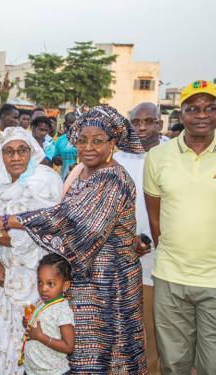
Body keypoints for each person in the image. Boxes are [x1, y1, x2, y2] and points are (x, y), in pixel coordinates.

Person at [0, 105, 148, 374]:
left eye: (98, 141)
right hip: (82, 281)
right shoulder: (82, 172)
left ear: (112, 143)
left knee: (107, 353)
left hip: (109, 284)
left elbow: (66, 219)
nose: (88, 147)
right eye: (82, 140)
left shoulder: (113, 178)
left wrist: (4, 221)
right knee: (80, 356)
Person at [144, 80, 216, 375]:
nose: (202, 114)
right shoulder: (157, 157)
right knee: (174, 365)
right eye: (193, 108)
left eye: (211, 108)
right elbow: (155, 219)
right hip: (171, 278)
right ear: (180, 115)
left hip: (214, 280)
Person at [0, 127, 63, 375]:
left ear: (32, 152)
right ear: (0, 156)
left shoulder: (45, 180)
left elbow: (33, 234)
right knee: (0, 345)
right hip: (2, 281)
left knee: (30, 346)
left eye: (22, 150)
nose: (16, 157)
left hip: (35, 281)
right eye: (8, 152)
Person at [114, 101, 163, 374]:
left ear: (160, 124)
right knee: (124, 332)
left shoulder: (171, 156)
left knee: (155, 334)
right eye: (136, 121)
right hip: (124, 261)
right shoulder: (117, 161)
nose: (142, 127)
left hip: (163, 265)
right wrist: (127, 237)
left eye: (149, 120)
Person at [23, 254, 75, 375]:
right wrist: (28, 322)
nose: (43, 288)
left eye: (50, 284)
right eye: (40, 282)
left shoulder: (62, 310)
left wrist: (40, 336)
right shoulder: (41, 302)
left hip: (53, 371)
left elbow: (69, 346)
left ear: (65, 285)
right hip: (32, 370)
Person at [53, 112, 78, 179]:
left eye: (76, 122)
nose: (74, 125)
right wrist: (56, 160)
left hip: (81, 179)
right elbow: (55, 159)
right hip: (64, 178)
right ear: (65, 123)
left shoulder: (84, 140)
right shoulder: (60, 140)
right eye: (71, 122)